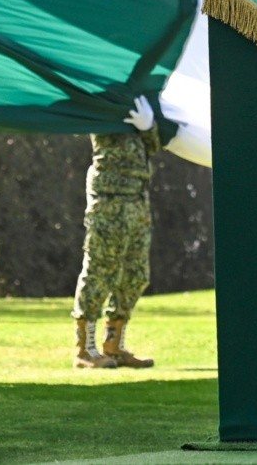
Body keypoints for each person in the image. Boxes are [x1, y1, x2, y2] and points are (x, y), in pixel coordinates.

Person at [72, 96, 160, 369]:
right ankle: (85, 350)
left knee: (136, 276)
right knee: (100, 272)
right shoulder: (104, 106)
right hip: (109, 203)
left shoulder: (139, 103)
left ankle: (114, 344)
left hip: (137, 201)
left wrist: (149, 127)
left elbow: (154, 148)